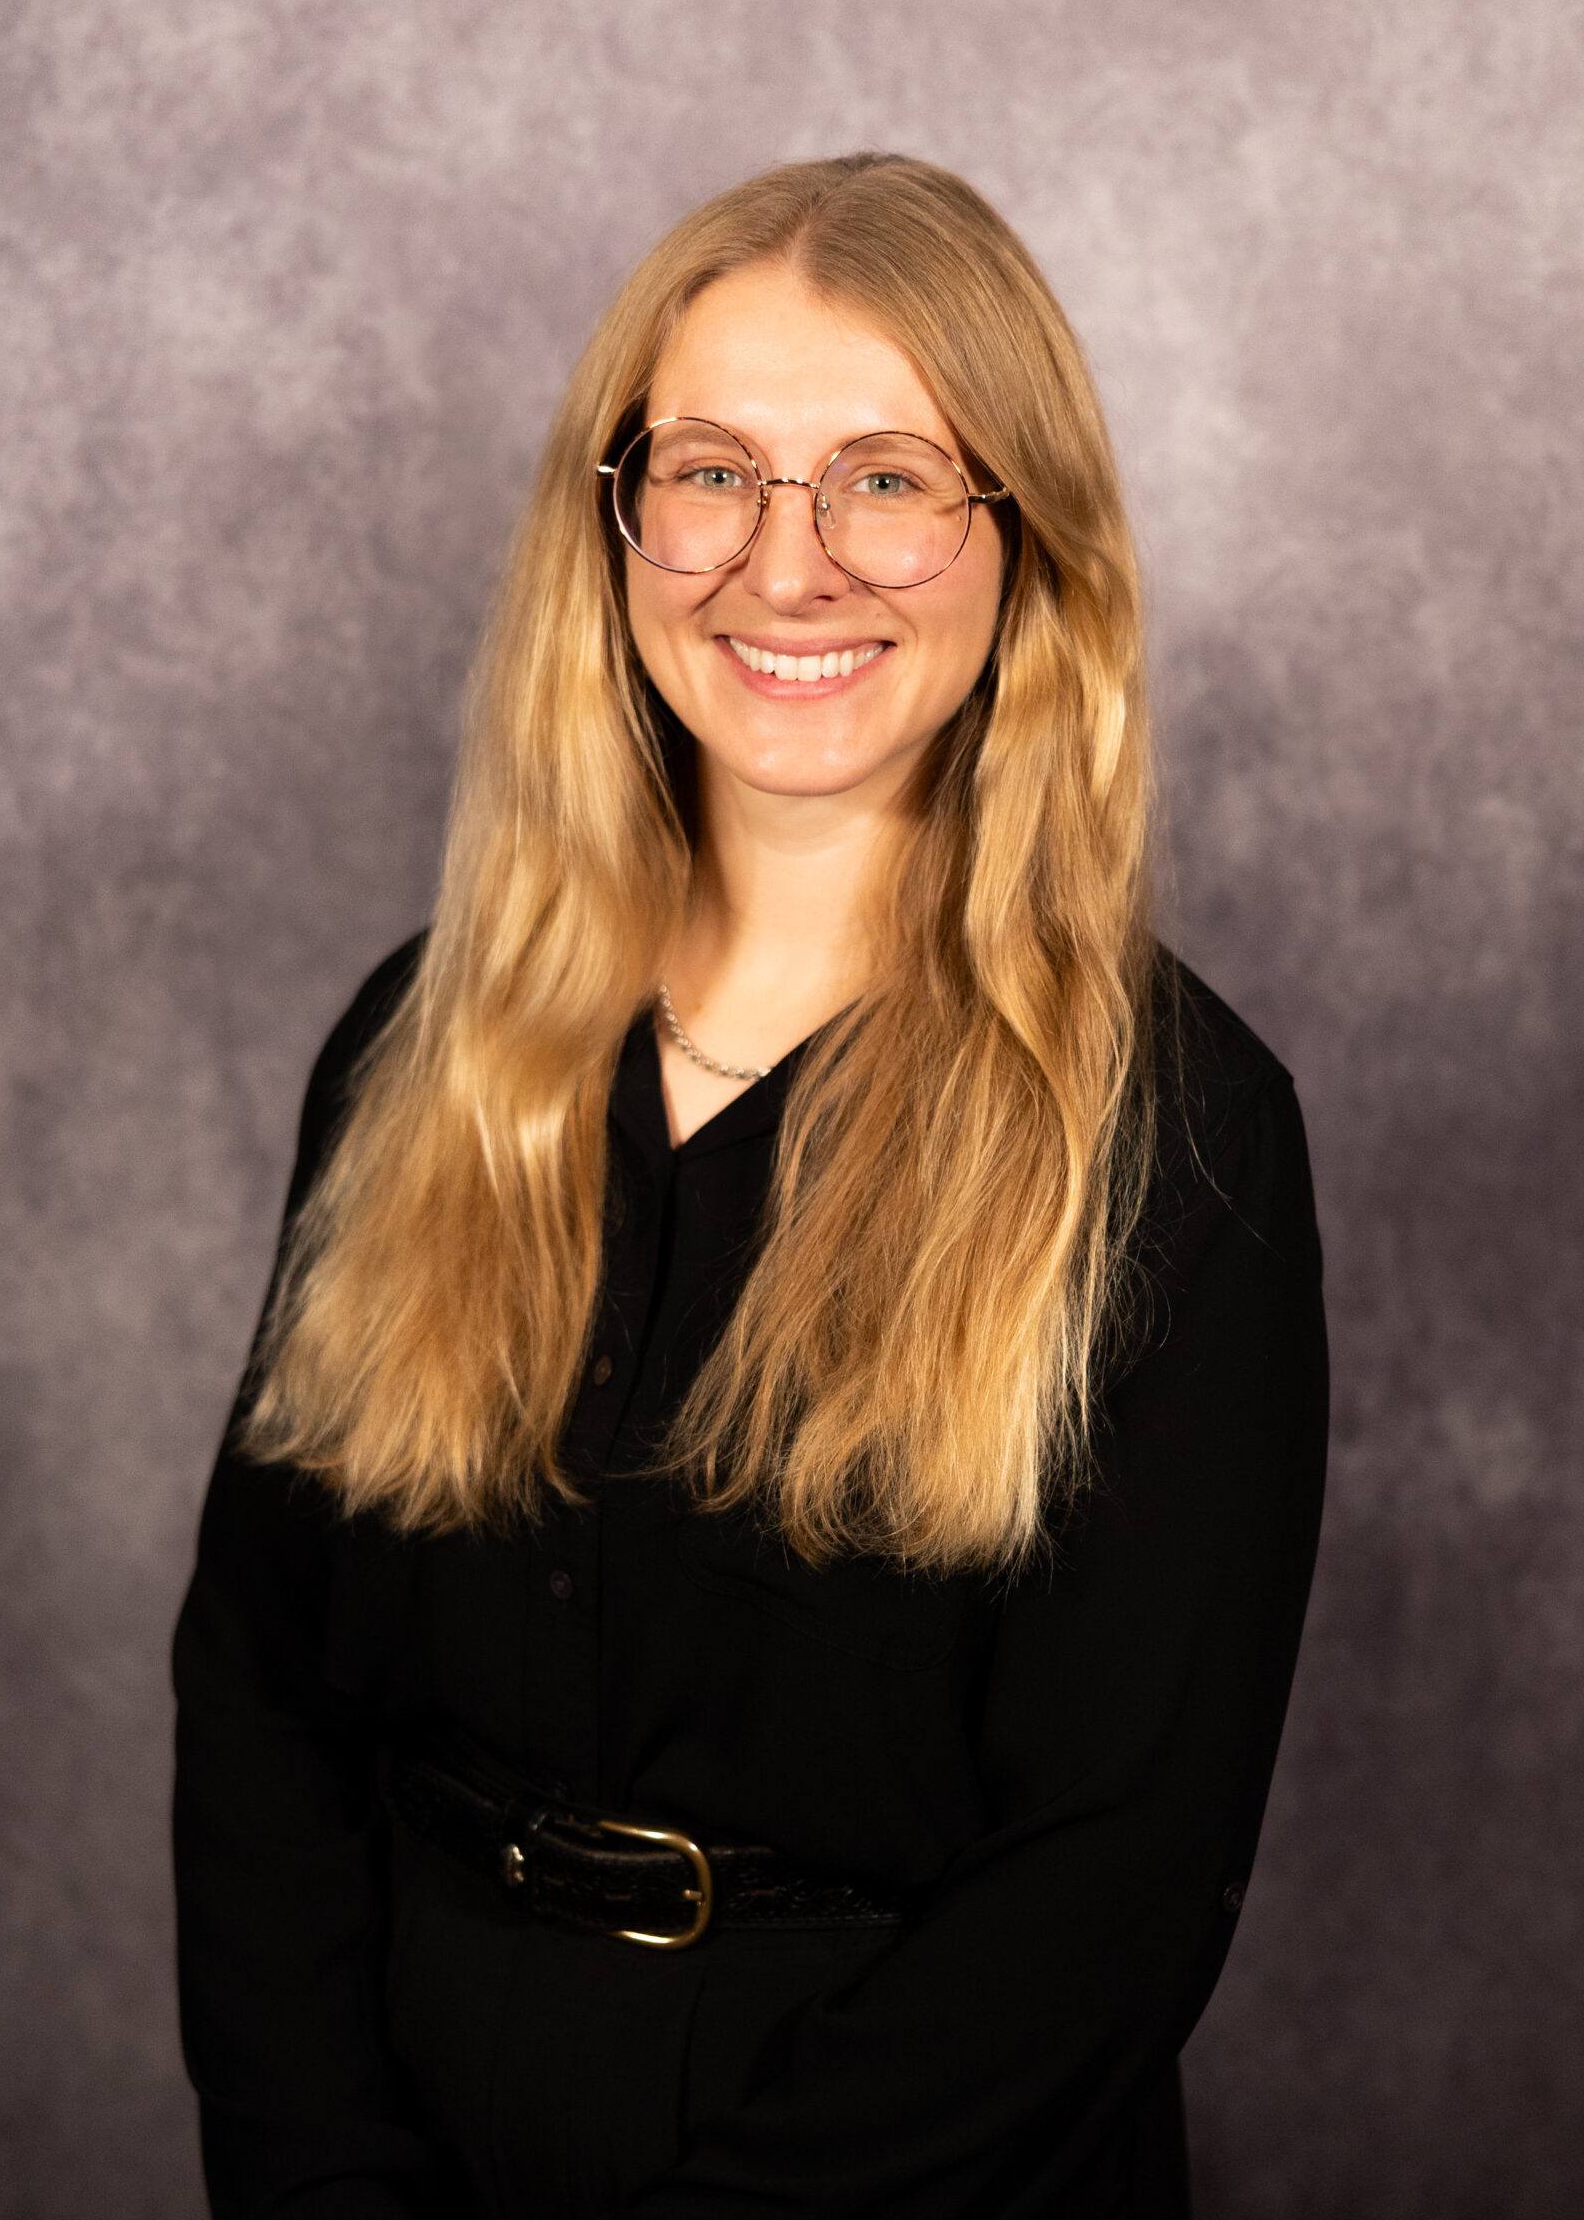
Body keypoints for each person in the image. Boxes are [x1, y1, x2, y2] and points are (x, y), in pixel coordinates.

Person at [173, 152, 1328, 2220]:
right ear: (616, 523)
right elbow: (262, 1710)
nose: (787, 568)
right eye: (711, 471)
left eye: (888, 480)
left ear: (1025, 545)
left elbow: (1109, 1887)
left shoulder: (1178, 1137)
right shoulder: (420, 1048)